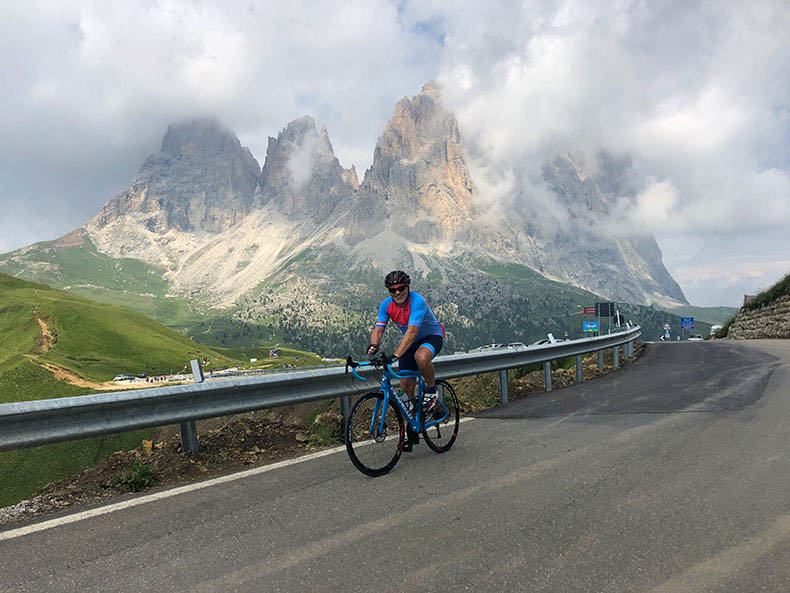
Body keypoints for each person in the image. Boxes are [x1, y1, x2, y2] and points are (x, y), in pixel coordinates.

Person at [367, 270, 444, 451]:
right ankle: (413, 428)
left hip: (431, 337)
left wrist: (395, 355)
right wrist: (373, 345)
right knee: (404, 388)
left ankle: (432, 391)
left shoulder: (418, 301)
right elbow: (379, 329)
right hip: (410, 343)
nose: (397, 293)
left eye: (401, 288)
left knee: (421, 356)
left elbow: (411, 333)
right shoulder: (386, 305)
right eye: (392, 290)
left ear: (408, 287)